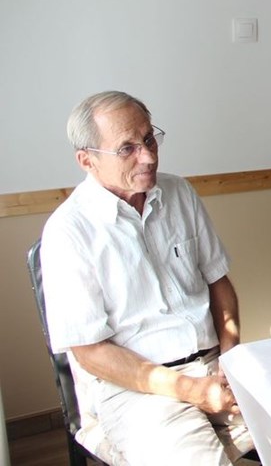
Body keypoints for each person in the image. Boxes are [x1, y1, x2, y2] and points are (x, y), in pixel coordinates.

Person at [40, 91, 250, 464]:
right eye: (127, 148)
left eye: (149, 139)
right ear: (87, 160)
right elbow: (90, 351)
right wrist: (192, 390)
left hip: (214, 364)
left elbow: (218, 281)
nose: (149, 156)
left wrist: (231, 357)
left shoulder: (178, 192)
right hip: (138, 390)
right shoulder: (68, 231)